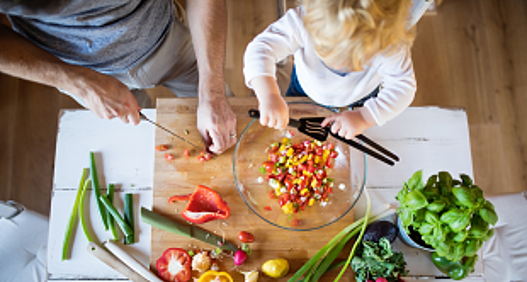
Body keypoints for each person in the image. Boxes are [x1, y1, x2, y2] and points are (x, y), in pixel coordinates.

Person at [0, 0, 237, 154]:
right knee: (143, 145)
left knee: (225, 122)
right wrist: (79, 83)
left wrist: (212, 93)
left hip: (165, 36)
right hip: (75, 69)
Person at [243, 0, 417, 140]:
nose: (339, 67)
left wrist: (365, 117)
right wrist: (269, 95)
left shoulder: (390, 44)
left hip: (360, 99)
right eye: (327, 48)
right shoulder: (305, 20)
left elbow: (403, 87)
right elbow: (260, 49)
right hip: (304, 89)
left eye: (354, 60)